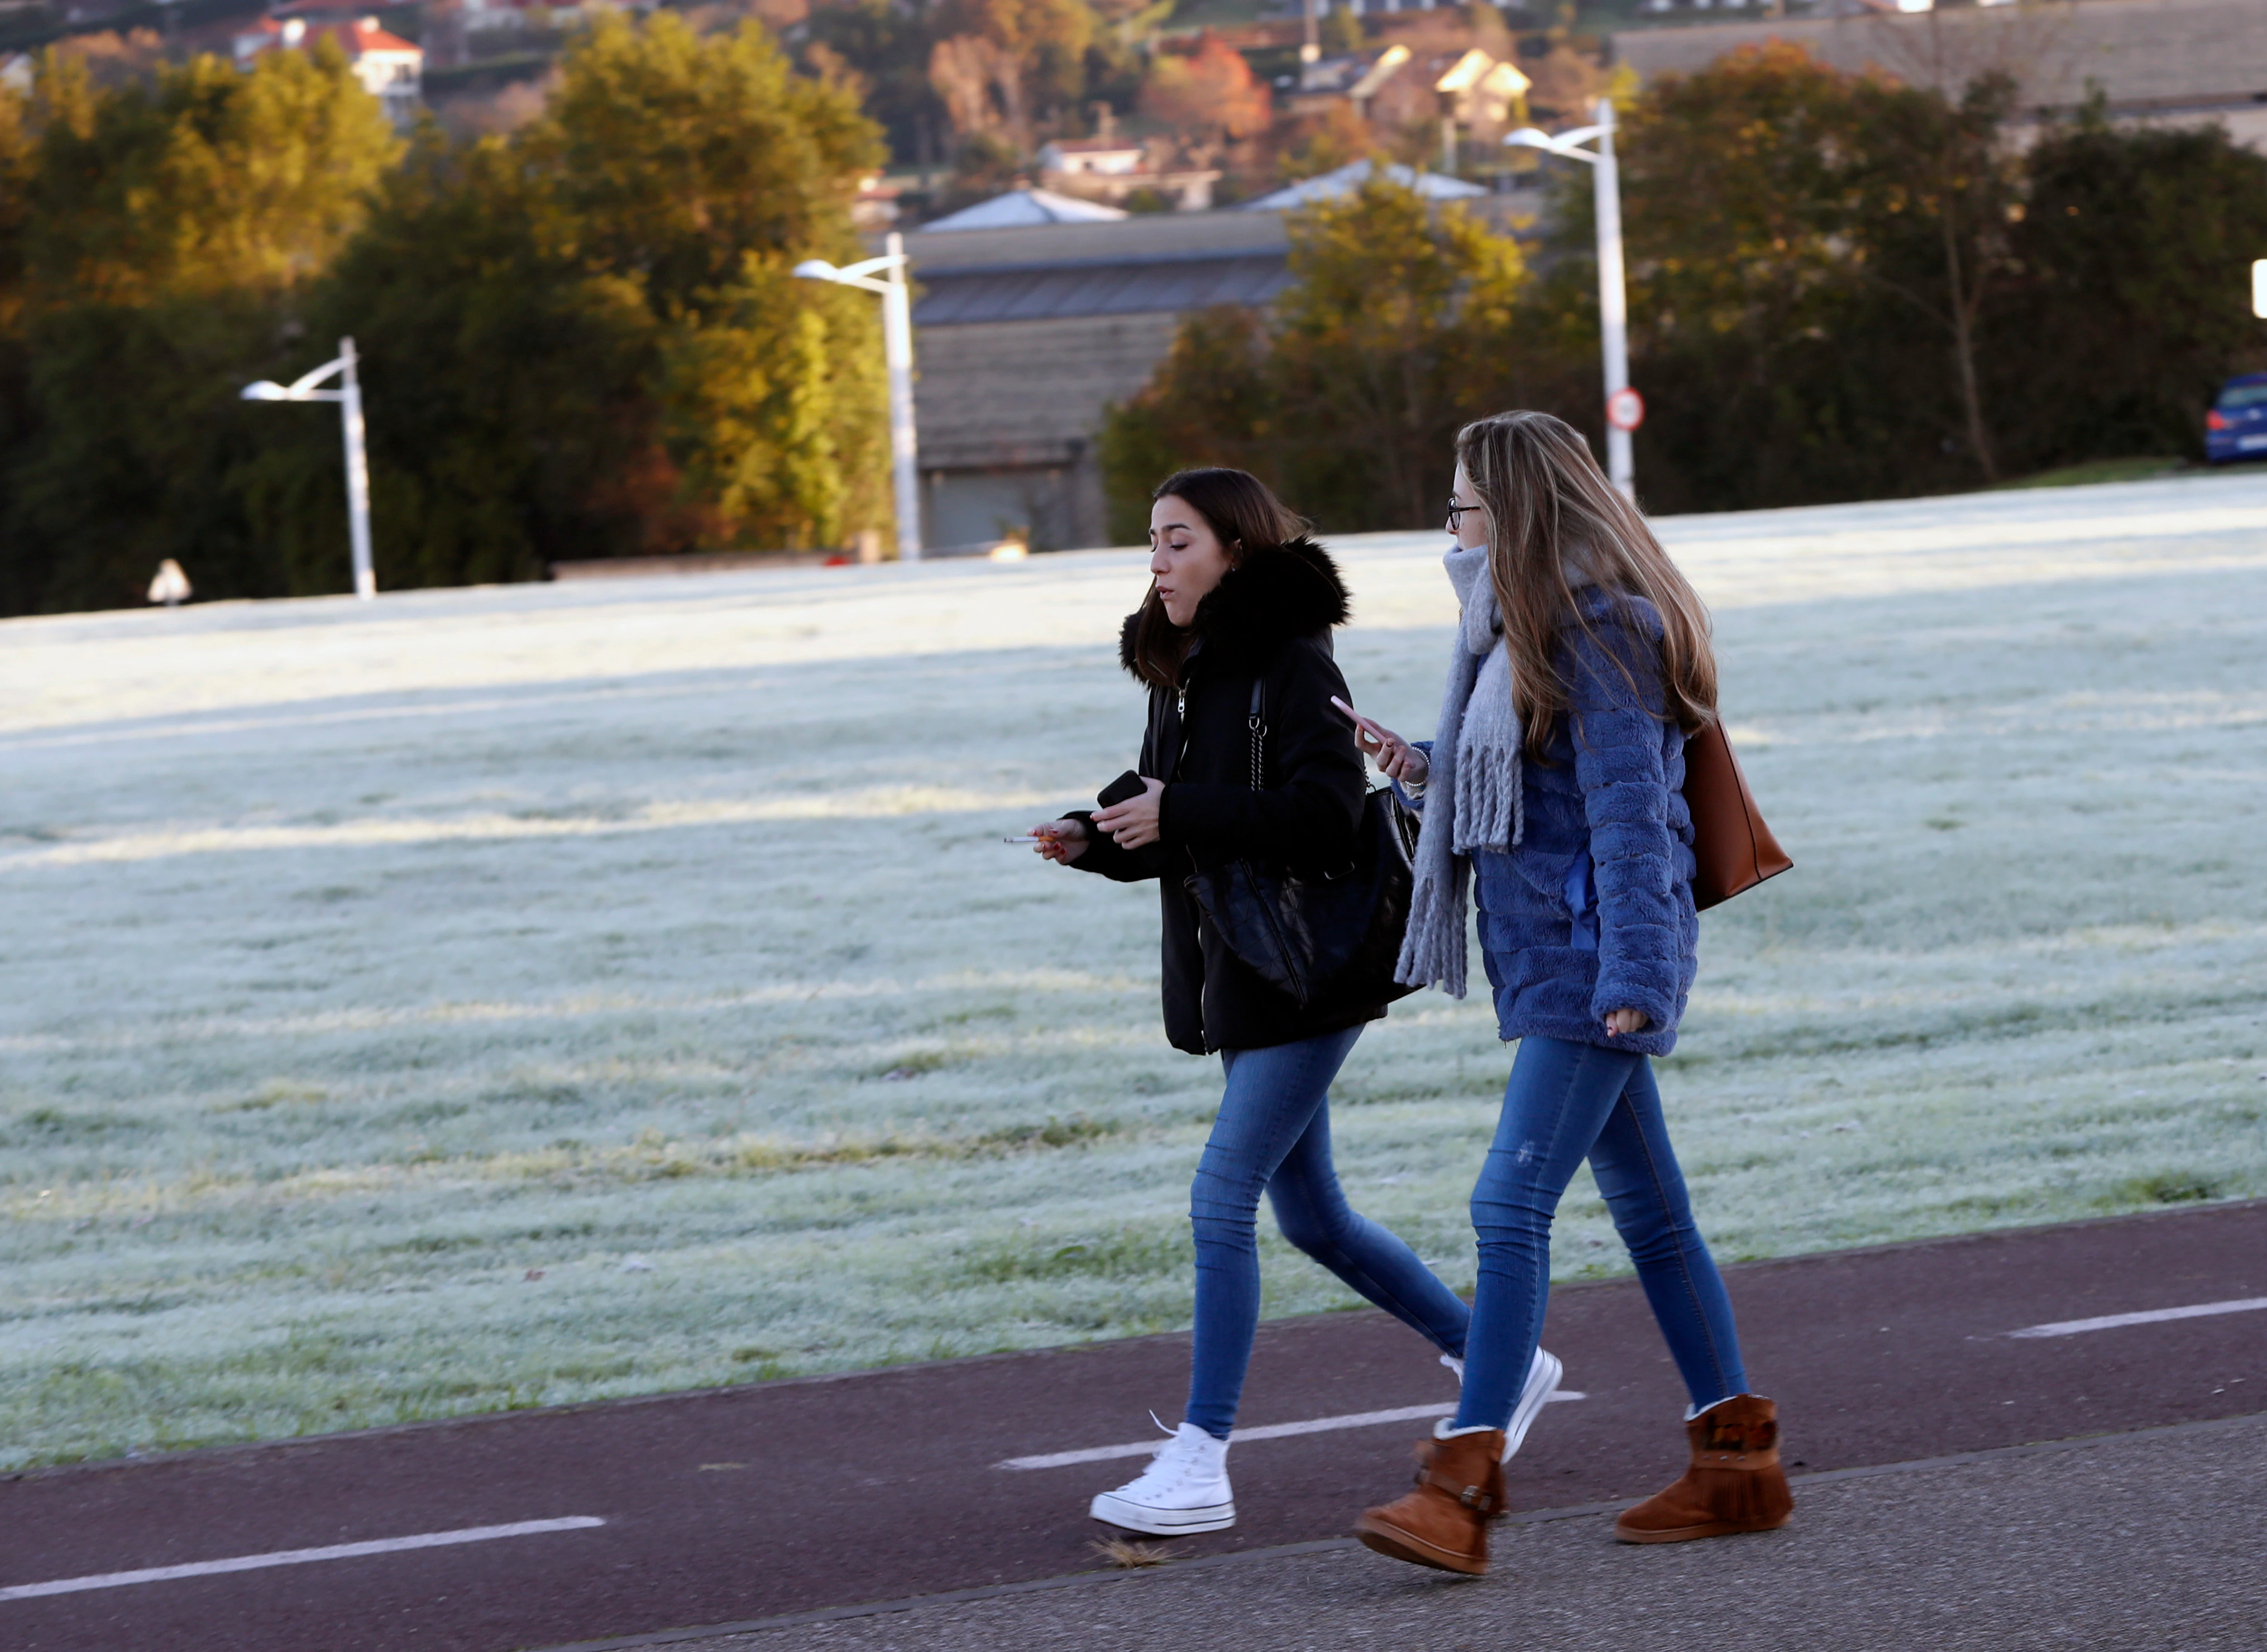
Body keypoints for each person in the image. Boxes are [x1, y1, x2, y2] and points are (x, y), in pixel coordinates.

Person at [1022, 467, 1560, 1538]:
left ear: (1233, 549)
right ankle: (1499, 1356)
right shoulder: (1180, 671)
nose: (1158, 562)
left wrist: (1182, 807)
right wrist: (1097, 837)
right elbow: (1183, 830)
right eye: (1152, 542)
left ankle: (1200, 1458)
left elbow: (1322, 818)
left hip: (1308, 970)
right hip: (1244, 971)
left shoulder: (1292, 652)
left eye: (1177, 541)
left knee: (1222, 1198)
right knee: (1310, 1213)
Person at [1340, 413, 1792, 1577]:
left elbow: (1633, 816)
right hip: (1551, 956)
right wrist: (1426, 771)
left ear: (1515, 510)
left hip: (1596, 967)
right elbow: (1533, 793)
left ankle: (1461, 1484)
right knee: (1649, 1215)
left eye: (1459, 509)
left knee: (1508, 1203)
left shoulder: (1599, 630)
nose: (1447, 529)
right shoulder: (1514, 631)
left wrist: (1637, 979)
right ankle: (1735, 1464)